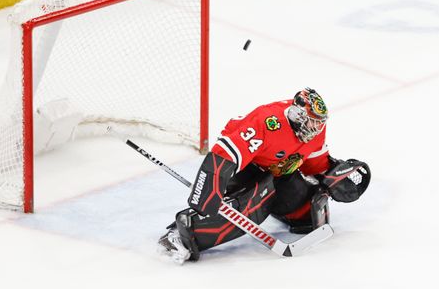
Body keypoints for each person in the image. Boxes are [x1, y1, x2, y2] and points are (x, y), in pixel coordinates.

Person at [158, 87, 370, 263]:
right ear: (298, 115)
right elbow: (226, 154)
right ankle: (183, 234)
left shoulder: (315, 130)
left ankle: (280, 207)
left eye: (320, 121)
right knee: (252, 205)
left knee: (306, 208)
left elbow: (314, 162)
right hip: (244, 168)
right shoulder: (268, 122)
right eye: (312, 121)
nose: (317, 127)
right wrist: (209, 188)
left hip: (278, 170)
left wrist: (330, 177)